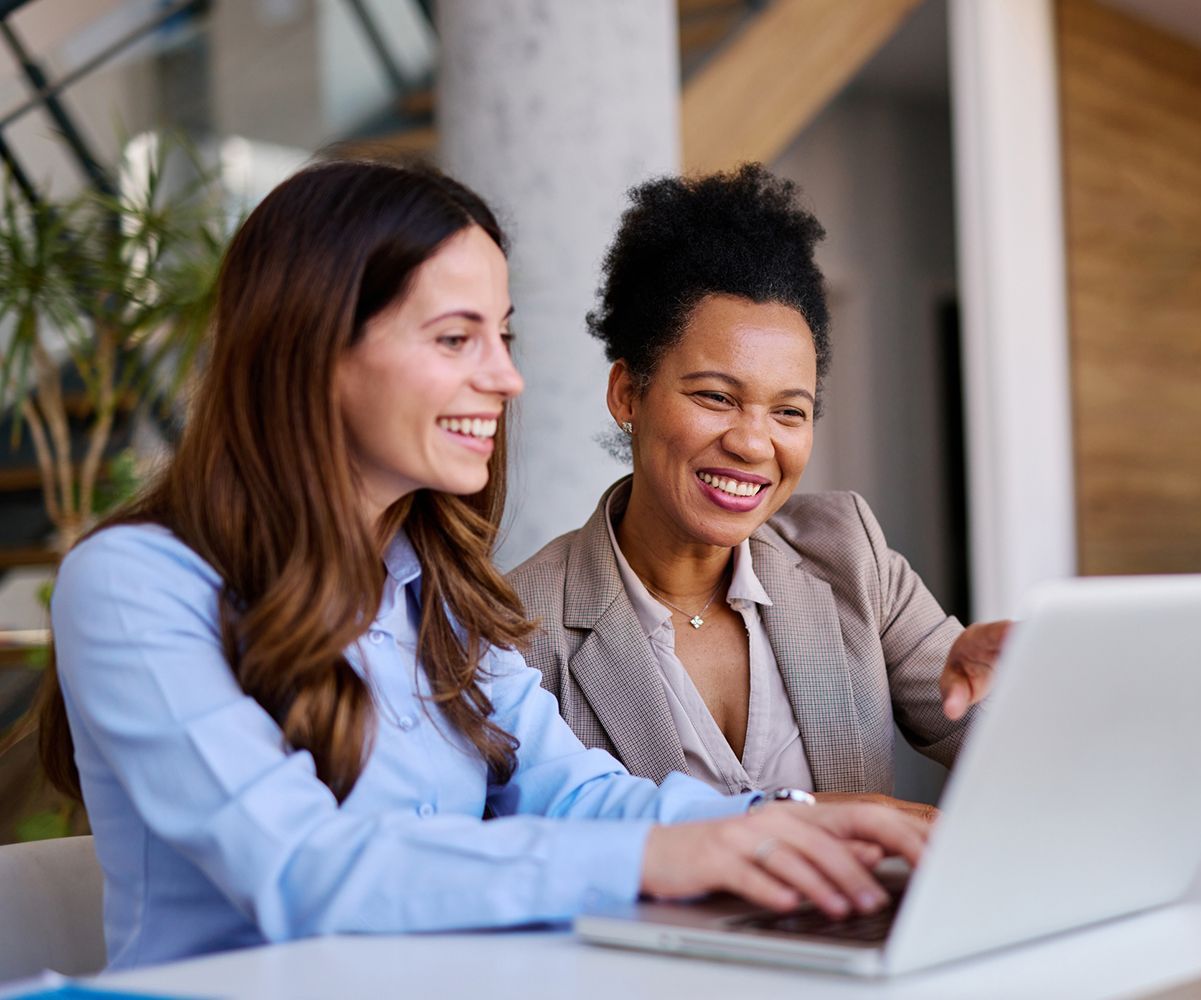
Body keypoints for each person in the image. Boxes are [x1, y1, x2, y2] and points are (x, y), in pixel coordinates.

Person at [33, 159, 926, 971]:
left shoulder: (440, 592)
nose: (507, 377)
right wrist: (665, 856)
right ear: (313, 348)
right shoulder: (133, 585)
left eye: (502, 336)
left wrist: (787, 825)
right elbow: (300, 870)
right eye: (457, 339)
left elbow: (572, 794)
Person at [510, 165, 1011, 816]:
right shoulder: (521, 629)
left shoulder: (852, 564)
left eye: (789, 412)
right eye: (716, 397)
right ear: (627, 393)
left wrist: (1014, 696)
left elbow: (1019, 754)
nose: (754, 443)